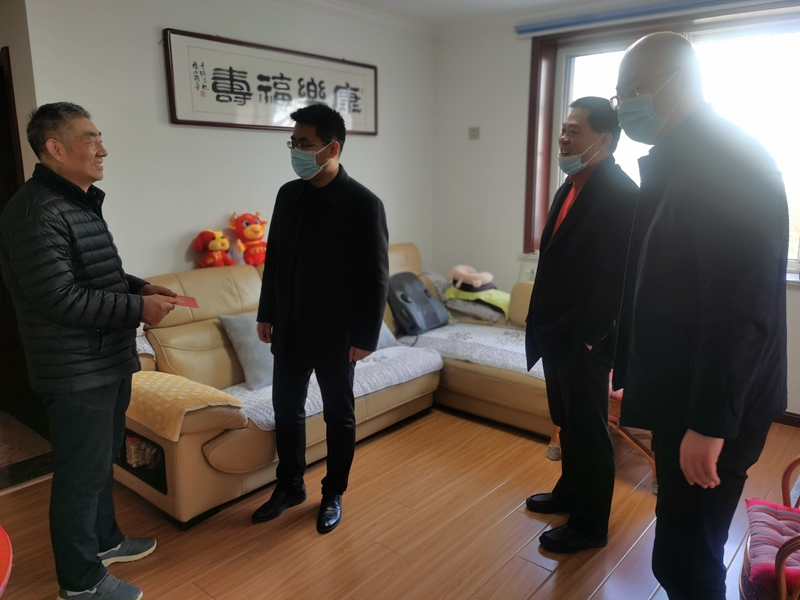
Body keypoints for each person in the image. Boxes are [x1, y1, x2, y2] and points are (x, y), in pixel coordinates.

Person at [613, 33, 788, 599]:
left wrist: (711, 424)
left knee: (688, 561)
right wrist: (628, 364)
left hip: (713, 407)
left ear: (680, 83)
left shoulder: (730, 162)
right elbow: (659, 283)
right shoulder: (680, 159)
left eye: (634, 91)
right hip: (686, 395)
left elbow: (741, 307)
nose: (626, 107)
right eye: (619, 96)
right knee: (678, 549)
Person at [0, 103, 178, 600]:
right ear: (55, 148)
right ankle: (81, 585)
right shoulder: (36, 211)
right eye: (91, 138)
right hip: (75, 371)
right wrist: (138, 309)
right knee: (80, 476)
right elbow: (58, 297)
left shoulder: (75, 201)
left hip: (106, 359)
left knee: (101, 465)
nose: (103, 149)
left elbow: (98, 275)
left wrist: (140, 287)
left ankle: (105, 542)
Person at [252, 104, 389, 534]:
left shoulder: (364, 204)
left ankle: (333, 492)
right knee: (286, 409)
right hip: (290, 326)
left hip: (337, 333)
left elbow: (376, 277)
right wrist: (266, 312)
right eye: (293, 142)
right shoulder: (288, 195)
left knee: (338, 416)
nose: (296, 151)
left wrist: (365, 336)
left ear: (332, 148)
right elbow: (274, 259)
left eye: (305, 144)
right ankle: (290, 485)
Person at [523, 97, 638, 553]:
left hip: (587, 338)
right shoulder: (570, 186)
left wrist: (592, 337)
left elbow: (619, 278)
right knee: (568, 423)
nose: (563, 138)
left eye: (575, 131)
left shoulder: (622, 195)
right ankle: (569, 493)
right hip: (556, 330)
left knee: (590, 433)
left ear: (604, 140)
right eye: (564, 129)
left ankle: (590, 525)